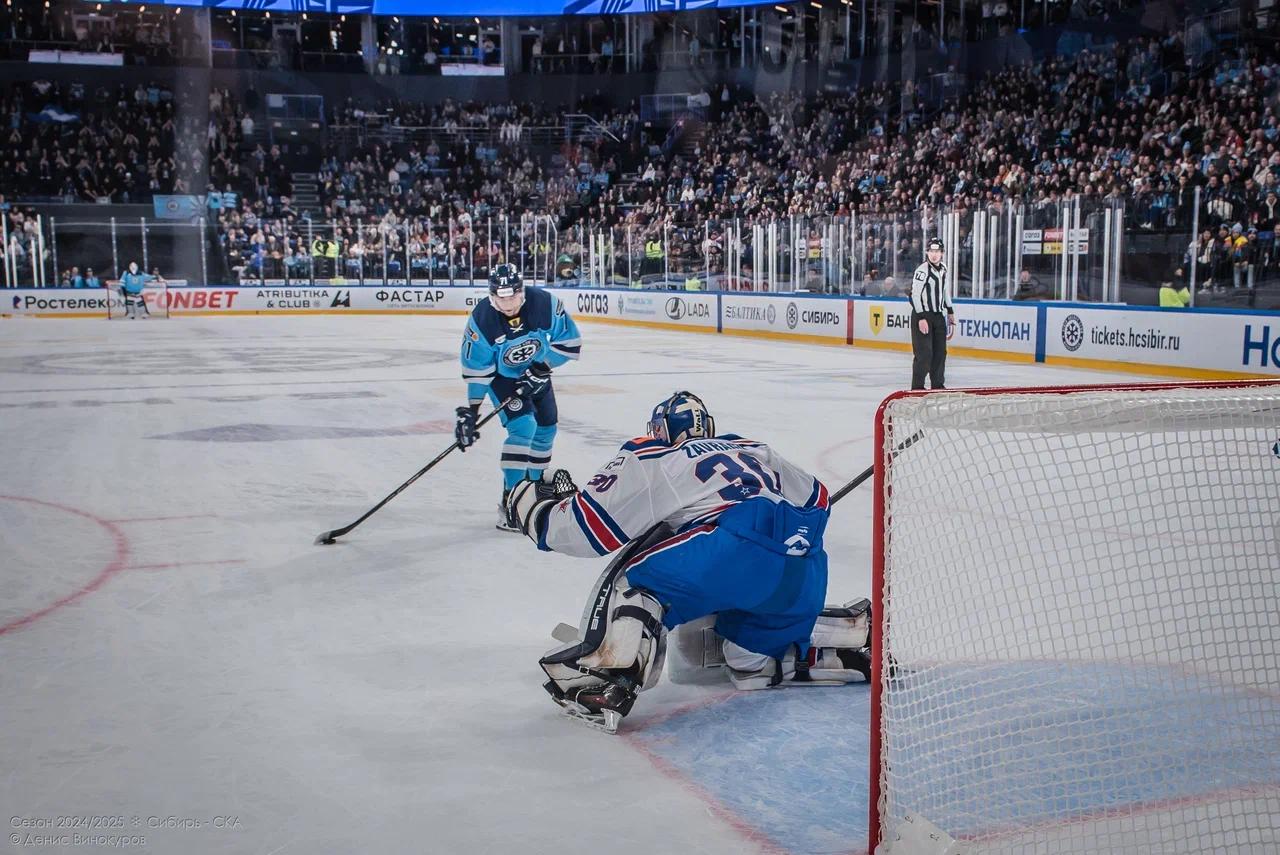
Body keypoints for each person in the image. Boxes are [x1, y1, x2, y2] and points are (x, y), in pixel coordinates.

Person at [503, 392, 871, 733]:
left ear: (662, 430)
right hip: (804, 564)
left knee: (637, 581)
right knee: (748, 663)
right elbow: (818, 500)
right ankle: (846, 636)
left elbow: (589, 529)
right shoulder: (752, 448)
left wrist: (532, 508)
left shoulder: (658, 455)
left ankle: (605, 678)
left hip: (731, 551)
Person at [456, 263, 582, 531]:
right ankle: (512, 500)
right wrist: (472, 411)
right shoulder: (482, 320)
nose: (509, 303)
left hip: (538, 372)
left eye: (513, 296)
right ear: (492, 296)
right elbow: (478, 369)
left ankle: (534, 492)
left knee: (547, 429)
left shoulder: (542, 303)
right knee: (524, 427)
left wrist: (541, 368)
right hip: (504, 380)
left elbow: (569, 341)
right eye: (502, 298)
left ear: (521, 292)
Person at [909, 237, 955, 389]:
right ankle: (917, 387)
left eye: (937, 251)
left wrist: (950, 311)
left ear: (942, 253)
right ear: (927, 252)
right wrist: (921, 317)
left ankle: (937, 384)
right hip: (923, 315)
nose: (934, 254)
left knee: (940, 353)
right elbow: (914, 295)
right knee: (924, 354)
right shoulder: (922, 270)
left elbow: (944, 291)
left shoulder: (943, 269)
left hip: (938, 316)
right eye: (931, 251)